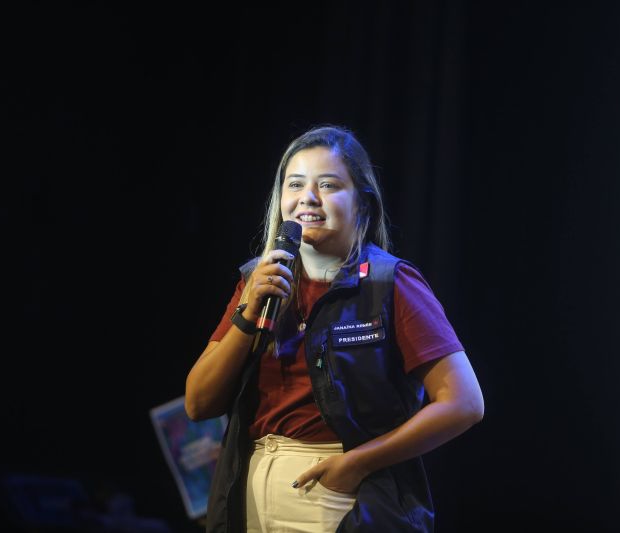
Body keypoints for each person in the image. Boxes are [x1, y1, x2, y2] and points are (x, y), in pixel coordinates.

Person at [185, 125, 484, 533]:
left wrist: (357, 464)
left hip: (340, 495)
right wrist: (247, 310)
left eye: (327, 185)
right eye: (295, 184)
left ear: (362, 203)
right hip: (250, 489)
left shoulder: (389, 283)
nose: (308, 197)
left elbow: (464, 402)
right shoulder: (257, 281)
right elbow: (198, 404)